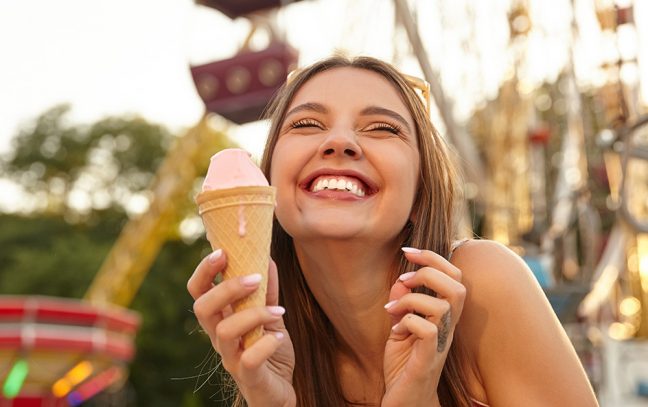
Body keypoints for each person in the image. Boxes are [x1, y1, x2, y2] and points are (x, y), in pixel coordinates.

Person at [187, 55, 599, 407]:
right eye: (308, 123)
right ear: (268, 186)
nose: (339, 141)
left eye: (383, 128)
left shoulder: (483, 284)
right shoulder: (276, 352)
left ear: (421, 195)